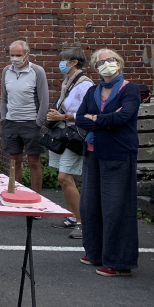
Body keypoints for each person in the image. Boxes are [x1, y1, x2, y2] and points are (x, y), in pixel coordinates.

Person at [75, 48, 140, 277]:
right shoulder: (93, 91)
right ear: (95, 68)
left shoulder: (129, 89)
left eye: (110, 60)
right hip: (93, 153)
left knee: (116, 209)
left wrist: (95, 118)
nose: (105, 64)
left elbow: (123, 117)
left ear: (119, 64)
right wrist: (104, 120)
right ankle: (95, 253)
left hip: (118, 154)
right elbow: (80, 118)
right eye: (100, 62)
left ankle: (119, 263)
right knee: (89, 206)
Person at [46, 48, 93, 239]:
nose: (61, 63)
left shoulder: (85, 85)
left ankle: (83, 223)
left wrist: (63, 116)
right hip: (64, 133)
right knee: (63, 178)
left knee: (65, 177)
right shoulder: (68, 82)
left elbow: (88, 113)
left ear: (74, 62)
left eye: (63, 60)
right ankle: (74, 216)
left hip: (75, 135)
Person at [0, 40, 49, 194]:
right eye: (12, 55)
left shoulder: (37, 71)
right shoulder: (6, 71)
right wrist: (4, 118)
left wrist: (38, 122)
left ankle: (36, 197)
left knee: (34, 162)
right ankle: (16, 195)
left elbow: (44, 99)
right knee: (14, 161)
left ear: (27, 54)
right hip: (11, 123)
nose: (15, 58)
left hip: (31, 123)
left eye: (18, 55)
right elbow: (4, 97)